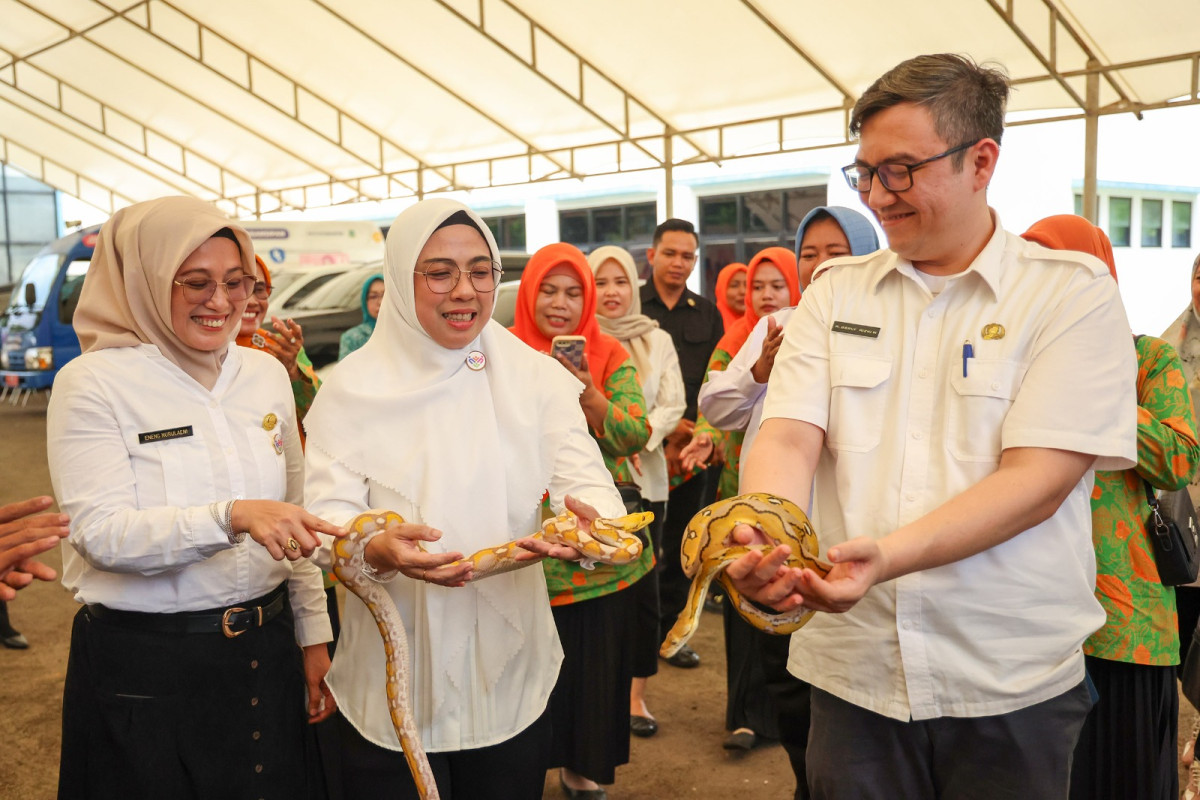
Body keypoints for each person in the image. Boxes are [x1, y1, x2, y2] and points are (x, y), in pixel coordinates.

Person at [726, 54, 1137, 799]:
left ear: (981, 161)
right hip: (854, 674)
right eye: (865, 172)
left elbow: (1038, 481)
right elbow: (787, 435)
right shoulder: (834, 293)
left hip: (1006, 678)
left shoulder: (1069, 295)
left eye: (902, 171)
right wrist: (765, 536)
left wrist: (885, 557)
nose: (878, 196)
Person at [302, 199, 628, 800]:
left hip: (507, 673)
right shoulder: (350, 391)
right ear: (401, 276)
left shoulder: (534, 379)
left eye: (481, 271)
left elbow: (592, 492)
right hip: (390, 681)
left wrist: (587, 527)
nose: (464, 290)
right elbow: (325, 520)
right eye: (439, 272)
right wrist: (374, 545)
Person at [46, 196, 342, 799]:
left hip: (266, 649)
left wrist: (314, 637)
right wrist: (230, 517)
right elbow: (100, 533)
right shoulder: (93, 383)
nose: (221, 302)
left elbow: (296, 517)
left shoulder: (263, 373)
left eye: (237, 282)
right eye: (196, 282)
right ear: (145, 281)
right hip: (146, 667)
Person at [692, 206, 877, 780]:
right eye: (809, 254)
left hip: (850, 537)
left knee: (846, 692)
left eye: (837, 254)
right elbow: (716, 408)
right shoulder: (777, 326)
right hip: (777, 530)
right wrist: (759, 372)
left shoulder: (886, 325)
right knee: (786, 675)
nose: (820, 266)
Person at [1020, 214, 1199, 800]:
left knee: (1122, 778)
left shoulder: (1146, 359)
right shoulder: (1013, 364)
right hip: (1033, 616)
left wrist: (1099, 386)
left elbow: (1178, 459)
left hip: (1124, 622)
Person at [511, 242, 650, 798]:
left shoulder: (610, 354)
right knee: (521, 673)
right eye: (548, 290)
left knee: (590, 672)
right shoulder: (497, 353)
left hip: (597, 557)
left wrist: (589, 391)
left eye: (573, 292)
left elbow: (633, 435)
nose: (560, 303)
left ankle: (581, 771)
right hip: (521, 551)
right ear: (528, 293)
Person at [587, 244, 686, 740]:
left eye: (620, 281)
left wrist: (637, 438)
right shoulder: (575, 340)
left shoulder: (656, 338)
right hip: (586, 486)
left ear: (634, 285)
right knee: (598, 594)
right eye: (600, 282)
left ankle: (635, 696)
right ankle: (595, 694)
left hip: (644, 481)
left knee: (643, 593)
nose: (611, 292)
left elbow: (674, 402)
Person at [640, 218, 724, 669]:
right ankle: (637, 634)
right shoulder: (631, 306)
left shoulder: (706, 312)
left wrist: (689, 435)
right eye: (670, 253)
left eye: (687, 256)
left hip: (692, 450)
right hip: (642, 446)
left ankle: (670, 634)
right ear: (652, 255)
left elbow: (715, 379)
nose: (679, 263)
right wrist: (667, 433)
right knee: (640, 545)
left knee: (683, 545)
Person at [238, 256, 321, 427]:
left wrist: (293, 372)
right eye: (238, 287)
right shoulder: (205, 351)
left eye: (259, 289)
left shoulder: (283, 347)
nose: (252, 301)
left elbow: (322, 414)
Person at [338, 273, 383, 360]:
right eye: (373, 296)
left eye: (385, 295)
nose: (380, 302)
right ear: (365, 301)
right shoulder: (351, 338)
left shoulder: (403, 332)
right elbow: (346, 368)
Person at [715, 262, 748, 331]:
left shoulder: (762, 322)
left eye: (747, 285)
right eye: (734, 285)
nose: (743, 291)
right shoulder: (710, 322)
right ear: (722, 290)